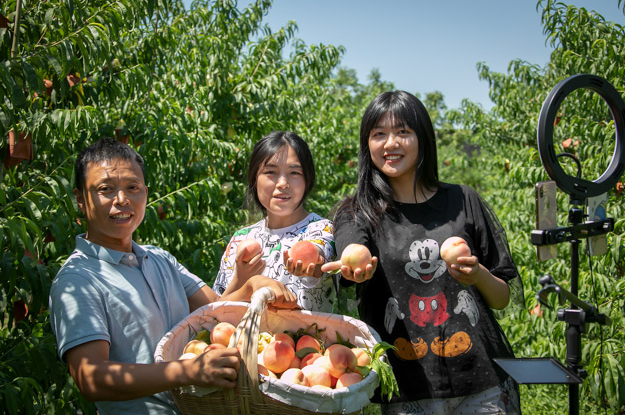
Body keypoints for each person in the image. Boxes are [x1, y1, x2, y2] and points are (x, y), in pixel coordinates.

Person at [49, 137, 297, 415]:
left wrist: (250, 284)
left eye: (133, 187)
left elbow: (215, 312)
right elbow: (91, 378)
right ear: (81, 200)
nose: (122, 200)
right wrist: (187, 371)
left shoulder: (159, 259)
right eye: (106, 189)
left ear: (145, 193)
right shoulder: (78, 280)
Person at [322, 91, 523, 415]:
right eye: (379, 134)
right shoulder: (357, 211)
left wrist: (478, 274)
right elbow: (353, 245)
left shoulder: (462, 200)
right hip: (408, 391)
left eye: (403, 132)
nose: (390, 143)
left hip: (482, 383)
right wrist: (355, 261)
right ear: (367, 144)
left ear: (422, 137)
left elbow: (501, 298)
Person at [213, 131, 336, 312]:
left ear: (307, 179)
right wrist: (240, 278)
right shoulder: (241, 239)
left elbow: (317, 259)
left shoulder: (320, 229)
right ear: (255, 179)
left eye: (294, 172)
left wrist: (309, 266)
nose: (283, 183)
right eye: (271, 172)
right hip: (244, 340)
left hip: (306, 340)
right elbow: (217, 311)